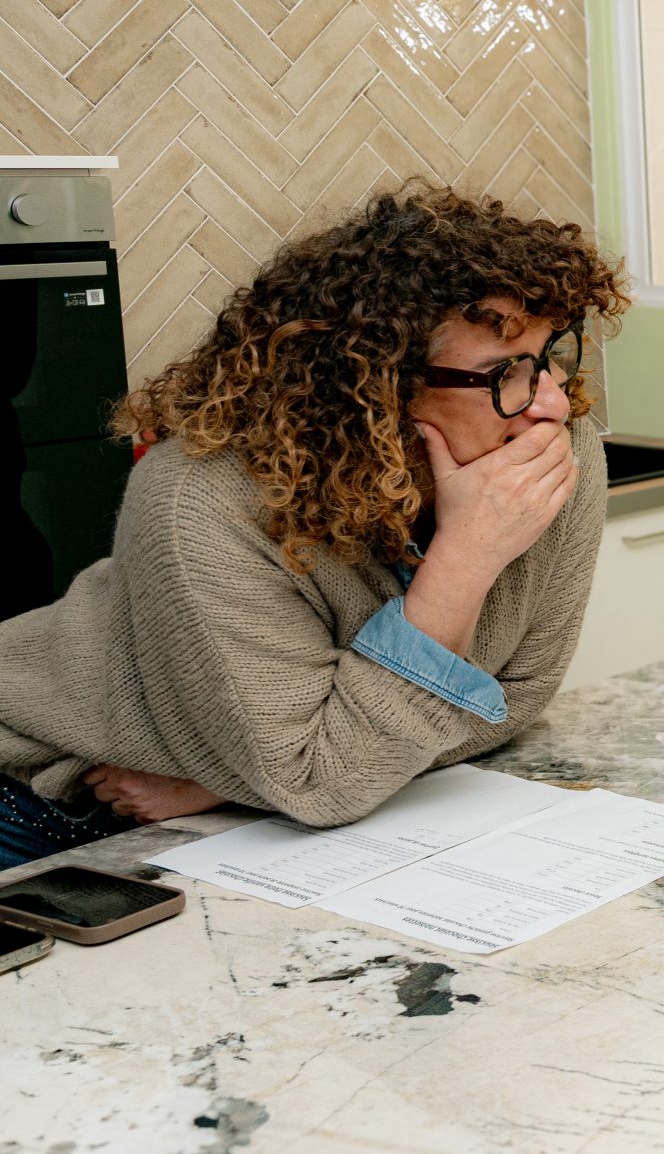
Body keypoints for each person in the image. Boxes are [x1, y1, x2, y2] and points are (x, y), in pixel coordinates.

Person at [0, 187, 629, 867]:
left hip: (224, 803)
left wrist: (225, 786)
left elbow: (515, 700)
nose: (552, 402)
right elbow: (320, 780)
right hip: (47, 798)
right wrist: (467, 557)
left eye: (550, 354)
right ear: (381, 385)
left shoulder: (550, 455)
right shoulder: (202, 500)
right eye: (505, 371)